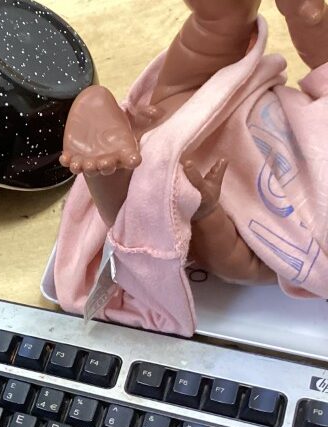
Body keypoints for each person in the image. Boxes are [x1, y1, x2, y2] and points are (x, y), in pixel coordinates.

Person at [53, 0, 328, 335]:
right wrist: (309, 19)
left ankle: (104, 171)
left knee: (145, 214)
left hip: (175, 178)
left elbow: (244, 265)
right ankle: (227, 13)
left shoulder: (319, 258)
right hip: (222, 93)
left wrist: (208, 214)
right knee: (217, 41)